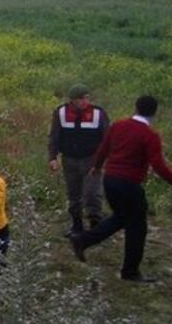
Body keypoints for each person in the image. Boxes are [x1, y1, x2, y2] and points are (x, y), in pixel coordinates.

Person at [70, 96, 172, 283]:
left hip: (110, 180)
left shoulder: (118, 126)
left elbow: (104, 148)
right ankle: (130, 272)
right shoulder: (150, 136)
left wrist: (98, 166)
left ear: (136, 107)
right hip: (129, 184)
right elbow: (158, 165)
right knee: (137, 227)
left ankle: (83, 240)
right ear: (154, 112)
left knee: (121, 217)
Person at [48, 84, 109, 236]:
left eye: (86, 97)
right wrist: (52, 157)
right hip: (69, 160)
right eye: (81, 98)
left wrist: (105, 160)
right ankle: (77, 226)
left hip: (92, 160)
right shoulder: (60, 112)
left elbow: (108, 138)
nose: (84, 101)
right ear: (72, 100)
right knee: (73, 194)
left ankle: (96, 227)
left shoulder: (98, 113)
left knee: (92, 194)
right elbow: (54, 137)